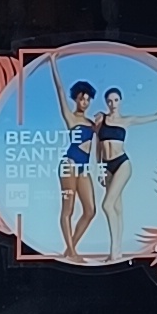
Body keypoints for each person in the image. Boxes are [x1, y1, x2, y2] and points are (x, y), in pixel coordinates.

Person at [57, 77, 98, 256]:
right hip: (69, 164)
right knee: (68, 209)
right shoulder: (71, 117)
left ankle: (69, 251)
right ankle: (72, 253)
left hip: (83, 168)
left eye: (88, 99)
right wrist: (52, 64)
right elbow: (60, 90)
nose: (85, 102)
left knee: (90, 210)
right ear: (76, 99)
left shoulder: (92, 123)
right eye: (82, 99)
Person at [94, 85, 132, 257]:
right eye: (109, 101)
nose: (113, 104)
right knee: (116, 207)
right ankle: (118, 251)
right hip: (107, 165)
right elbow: (98, 147)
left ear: (120, 101)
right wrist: (100, 169)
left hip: (122, 163)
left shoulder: (126, 120)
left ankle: (113, 251)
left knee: (107, 205)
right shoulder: (101, 119)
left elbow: (155, 116)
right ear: (106, 103)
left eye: (116, 100)